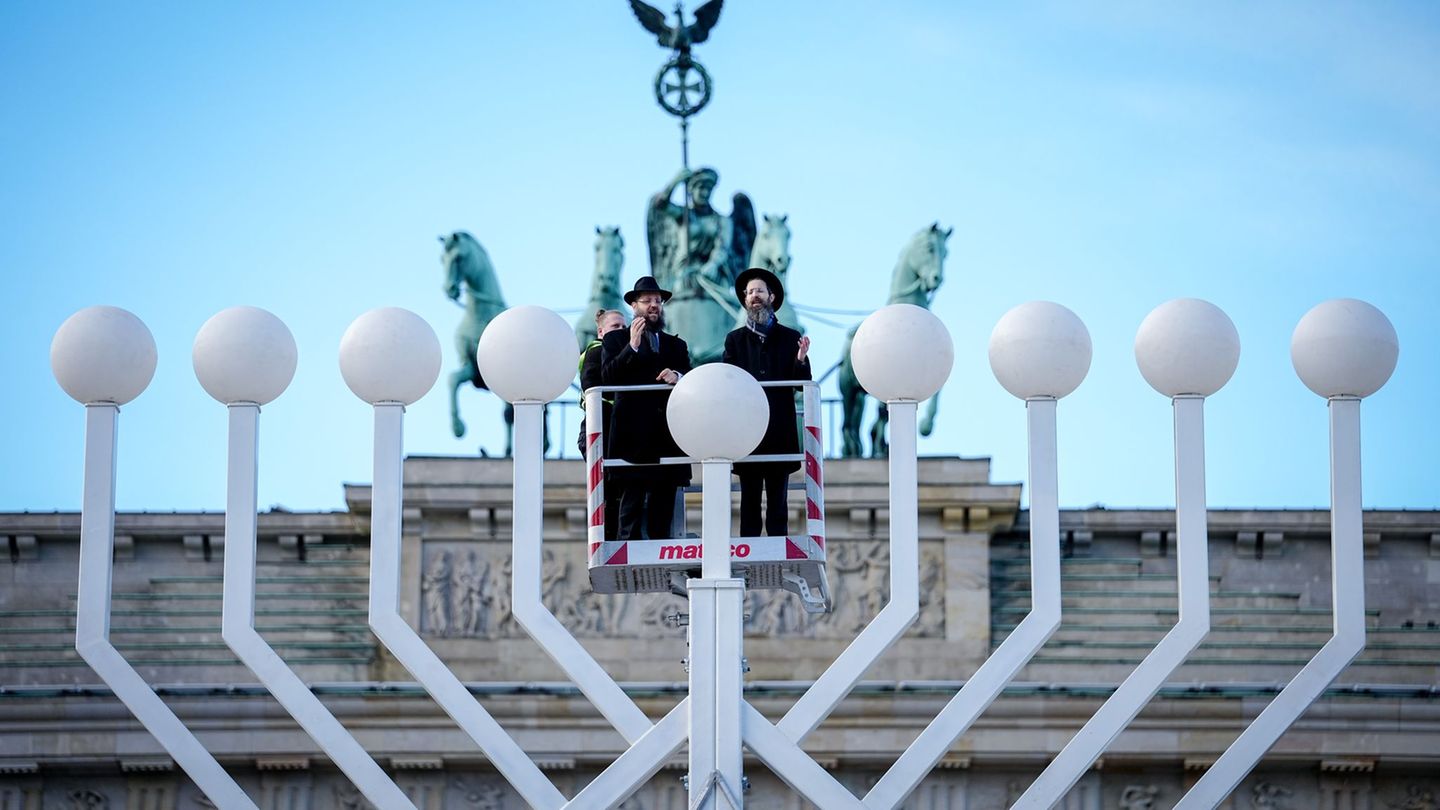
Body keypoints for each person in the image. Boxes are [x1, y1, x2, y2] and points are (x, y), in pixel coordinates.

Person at [601, 277, 692, 540]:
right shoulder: (616, 339)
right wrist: (632, 346)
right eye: (647, 300)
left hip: (668, 439)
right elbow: (608, 378)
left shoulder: (676, 345)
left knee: (662, 517)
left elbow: (692, 377)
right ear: (634, 305)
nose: (654, 305)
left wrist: (677, 376)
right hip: (633, 441)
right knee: (629, 513)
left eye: (658, 301)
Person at [722, 267, 811, 537]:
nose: (754, 296)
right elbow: (727, 380)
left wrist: (800, 359)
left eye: (759, 291)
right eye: (750, 292)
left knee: (777, 500)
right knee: (749, 498)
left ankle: (778, 545)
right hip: (747, 431)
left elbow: (801, 384)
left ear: (771, 297)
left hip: (779, 430)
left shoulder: (790, 337)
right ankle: (749, 547)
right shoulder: (735, 340)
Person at [645, 166, 756, 365]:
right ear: (691, 190)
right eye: (699, 188)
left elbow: (723, 247)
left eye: (708, 189)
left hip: (713, 278)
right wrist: (675, 182)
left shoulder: (722, 221)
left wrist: (712, 265)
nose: (704, 193)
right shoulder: (683, 216)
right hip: (684, 277)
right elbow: (660, 204)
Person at [578, 309, 628, 540]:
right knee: (609, 490)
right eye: (615, 326)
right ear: (600, 331)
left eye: (623, 327)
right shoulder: (597, 351)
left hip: (613, 429)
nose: (621, 331)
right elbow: (593, 386)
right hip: (602, 428)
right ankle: (609, 538)